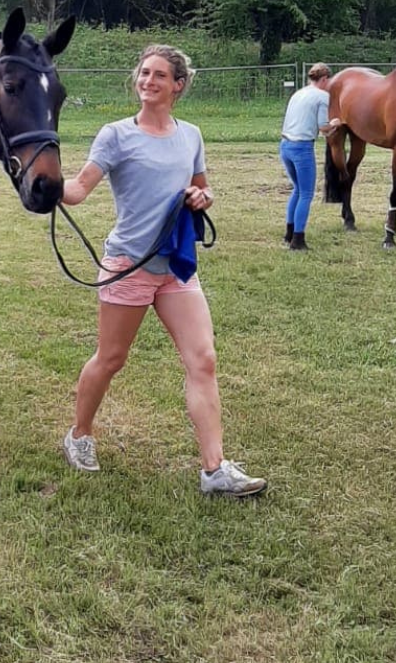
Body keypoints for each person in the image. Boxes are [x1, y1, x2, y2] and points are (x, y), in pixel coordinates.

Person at [59, 44, 267, 498]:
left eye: (158, 75)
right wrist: (47, 186)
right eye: (143, 73)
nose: (147, 80)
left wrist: (201, 199)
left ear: (178, 85)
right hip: (128, 266)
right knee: (111, 359)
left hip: (175, 266)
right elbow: (78, 188)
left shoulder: (190, 134)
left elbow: (201, 189)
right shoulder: (115, 135)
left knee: (203, 360)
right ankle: (79, 435)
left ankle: (214, 470)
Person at [279, 62, 336, 250]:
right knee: (306, 193)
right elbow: (323, 127)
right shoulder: (322, 96)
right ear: (325, 79)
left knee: (297, 189)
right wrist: (336, 123)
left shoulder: (298, 93)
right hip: (302, 148)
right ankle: (298, 239)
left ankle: (289, 232)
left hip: (285, 145)